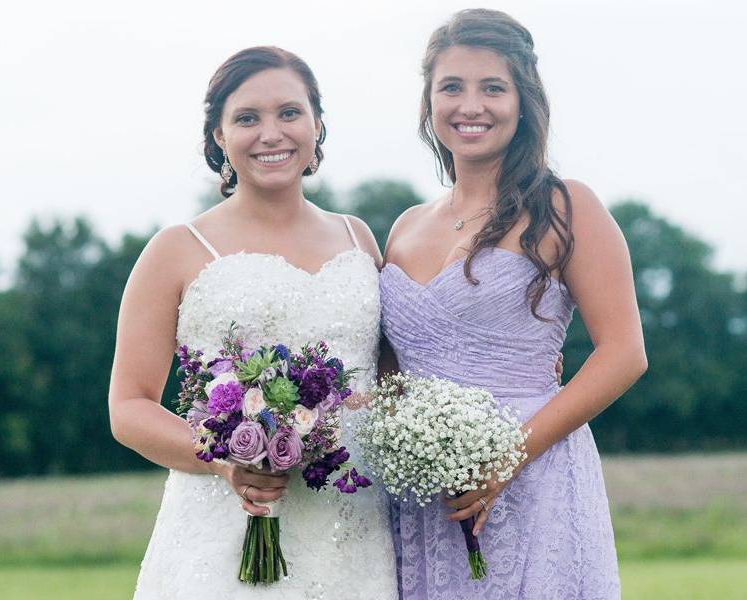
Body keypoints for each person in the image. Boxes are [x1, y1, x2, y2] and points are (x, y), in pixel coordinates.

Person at [108, 46, 397, 599]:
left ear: (317, 123)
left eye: (289, 113)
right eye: (247, 118)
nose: (272, 133)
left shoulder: (359, 238)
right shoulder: (176, 250)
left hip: (354, 523)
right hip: (223, 528)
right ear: (218, 136)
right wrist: (225, 462)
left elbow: (386, 382)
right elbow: (129, 408)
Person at [380, 9, 647, 599]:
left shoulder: (565, 206)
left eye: (492, 88)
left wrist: (508, 456)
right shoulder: (403, 227)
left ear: (523, 101)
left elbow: (624, 353)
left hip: (535, 473)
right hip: (425, 496)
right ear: (429, 102)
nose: (470, 105)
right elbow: (389, 372)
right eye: (451, 87)